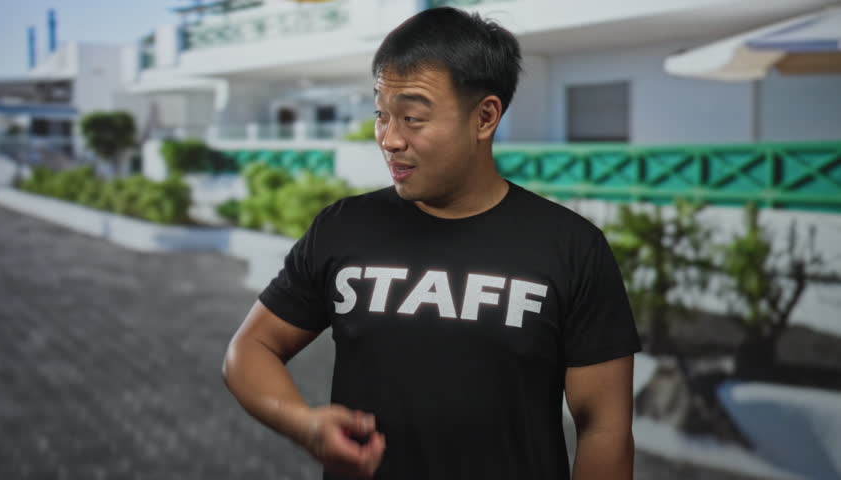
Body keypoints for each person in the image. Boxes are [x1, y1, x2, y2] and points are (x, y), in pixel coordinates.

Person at [222, 6, 641, 480]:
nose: (389, 139)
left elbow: (604, 427)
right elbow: (250, 348)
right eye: (382, 115)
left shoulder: (571, 247)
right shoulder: (343, 227)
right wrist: (304, 425)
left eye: (413, 119)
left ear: (485, 117)